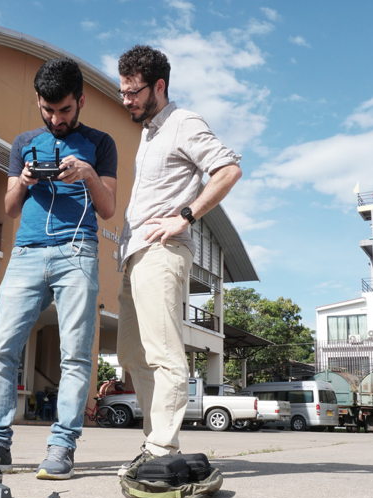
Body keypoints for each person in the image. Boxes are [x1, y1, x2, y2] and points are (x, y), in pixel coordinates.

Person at [0, 58, 117, 481]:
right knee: (1, 348)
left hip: (77, 251)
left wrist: (87, 175)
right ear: (39, 103)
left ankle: (62, 447)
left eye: (64, 110)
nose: (56, 118)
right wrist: (24, 180)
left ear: (79, 101)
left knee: (77, 354)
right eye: (47, 110)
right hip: (26, 253)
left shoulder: (101, 143)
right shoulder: (24, 141)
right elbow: (9, 207)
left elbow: (108, 208)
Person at [114, 45, 242, 474]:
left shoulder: (183, 122)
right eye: (123, 91)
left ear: (159, 86)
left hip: (162, 253)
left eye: (133, 91)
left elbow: (227, 170)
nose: (126, 99)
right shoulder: (149, 133)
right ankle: (154, 445)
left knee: (164, 353)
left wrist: (184, 216)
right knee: (132, 355)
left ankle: (163, 448)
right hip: (135, 256)